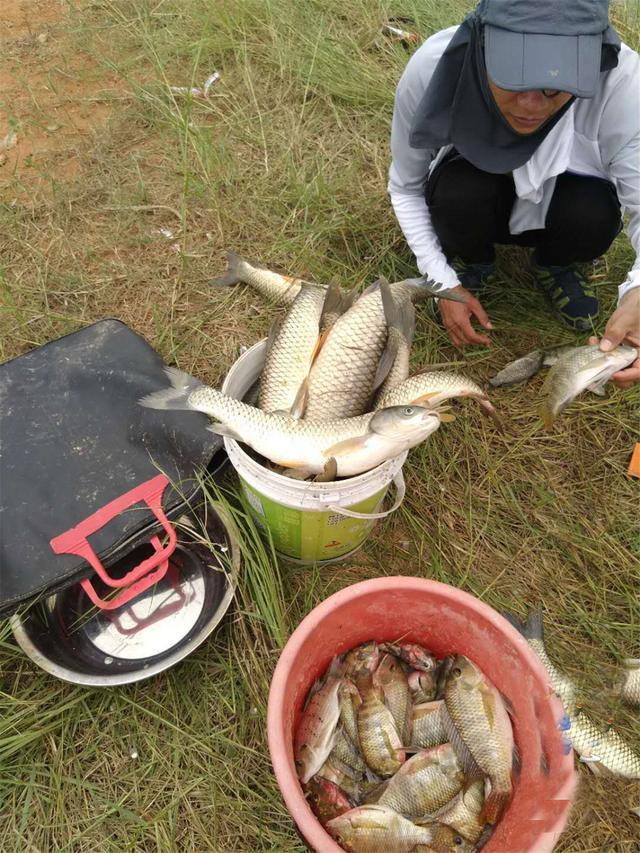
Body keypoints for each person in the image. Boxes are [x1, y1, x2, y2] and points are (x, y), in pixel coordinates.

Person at [388, 0, 640, 388]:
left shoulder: (624, 84)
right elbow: (405, 187)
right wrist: (441, 281)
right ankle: (473, 263)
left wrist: (639, 291)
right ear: (481, 45)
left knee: (591, 213)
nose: (530, 106)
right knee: (459, 194)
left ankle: (558, 263)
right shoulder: (433, 66)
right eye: (512, 77)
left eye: (555, 86)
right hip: (473, 191)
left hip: (571, 200)